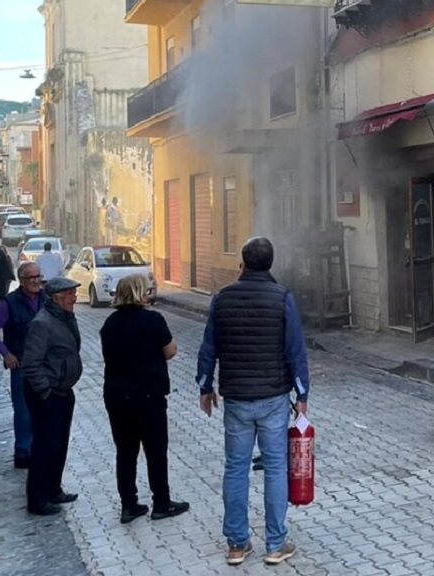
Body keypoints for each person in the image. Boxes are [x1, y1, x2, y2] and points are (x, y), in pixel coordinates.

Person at [197, 237, 309, 567]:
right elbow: (295, 350)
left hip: (236, 399)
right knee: (275, 468)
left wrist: (206, 387)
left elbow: (208, 347)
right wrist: (302, 394)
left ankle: (236, 544)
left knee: (235, 468)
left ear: (242, 263)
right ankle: (275, 544)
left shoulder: (222, 299)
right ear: (271, 264)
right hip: (274, 398)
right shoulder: (282, 298)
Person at [100, 274, 189, 524]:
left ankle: (129, 505)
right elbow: (170, 351)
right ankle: (161, 502)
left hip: (117, 395)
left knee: (126, 451)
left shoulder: (110, 324)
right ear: (141, 292)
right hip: (148, 395)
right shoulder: (152, 320)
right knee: (155, 450)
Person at [22, 277, 83, 516]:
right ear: (56, 298)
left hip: (63, 390)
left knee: (59, 443)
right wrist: (45, 391)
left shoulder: (66, 317)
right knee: (44, 446)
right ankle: (37, 499)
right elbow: (31, 363)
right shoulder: (43, 323)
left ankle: (53, 488)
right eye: (69, 294)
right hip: (48, 394)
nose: (74, 298)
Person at [0, 262, 47, 469]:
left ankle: (40, 448)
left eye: (38, 276)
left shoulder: (47, 300)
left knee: (44, 407)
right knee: (23, 409)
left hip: (44, 364)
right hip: (21, 364)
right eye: (31, 278)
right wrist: (6, 354)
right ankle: (22, 451)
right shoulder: (9, 303)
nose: (36, 281)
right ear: (21, 280)